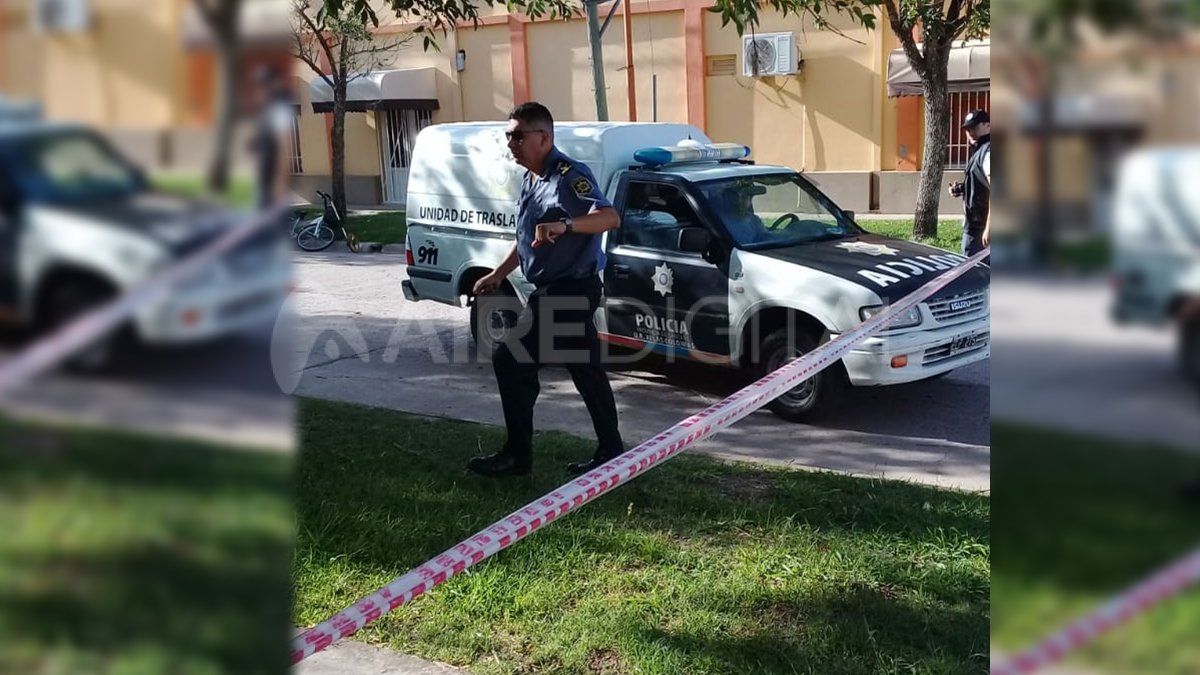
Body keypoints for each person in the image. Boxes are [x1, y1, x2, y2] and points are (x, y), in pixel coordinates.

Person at [467, 102, 625, 477]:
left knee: (511, 358)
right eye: (508, 136)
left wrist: (566, 225)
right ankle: (612, 450)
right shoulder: (531, 178)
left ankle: (517, 455)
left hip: (569, 290)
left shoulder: (569, 175)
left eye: (518, 136)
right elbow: (526, 238)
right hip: (557, 288)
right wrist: (497, 274)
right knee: (586, 370)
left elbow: (609, 217)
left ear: (544, 138)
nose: (511, 143)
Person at [250, 65, 295, 211]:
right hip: (263, 183)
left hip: (272, 186)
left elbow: (284, 148)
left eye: (263, 86)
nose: (259, 92)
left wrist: (279, 184)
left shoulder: (279, 111)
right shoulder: (265, 112)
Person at [950, 109, 991, 256]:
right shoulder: (979, 151)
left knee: (972, 268)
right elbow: (981, 184)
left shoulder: (987, 151)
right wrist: (961, 188)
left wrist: (989, 227)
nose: (970, 132)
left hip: (979, 229)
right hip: (975, 226)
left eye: (974, 127)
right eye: (967, 129)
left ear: (988, 126)